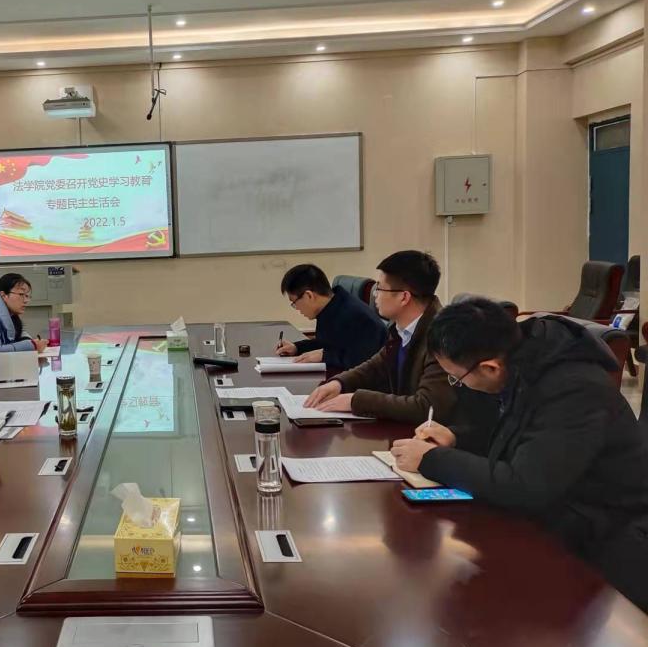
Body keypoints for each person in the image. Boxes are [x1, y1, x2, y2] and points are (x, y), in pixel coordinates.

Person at [391, 299, 648, 611]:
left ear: (490, 367)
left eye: (457, 378)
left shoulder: (572, 389)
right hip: (563, 514)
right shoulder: (524, 359)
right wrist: (456, 438)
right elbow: (521, 438)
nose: (460, 386)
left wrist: (430, 459)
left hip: (608, 536)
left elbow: (526, 486)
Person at [305, 250, 455, 424]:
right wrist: (339, 383)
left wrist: (356, 401)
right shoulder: (401, 327)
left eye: (379, 288)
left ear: (404, 297)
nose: (375, 294)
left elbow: (426, 407)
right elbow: (378, 365)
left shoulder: (443, 337)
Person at [274, 264, 386, 370]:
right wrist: (297, 347)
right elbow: (327, 344)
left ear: (309, 296)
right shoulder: (331, 307)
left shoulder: (356, 315)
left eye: (294, 302)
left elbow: (364, 358)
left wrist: (325, 356)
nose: (297, 308)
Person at [0, 273, 48, 353]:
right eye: (21, 294)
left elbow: (20, 335)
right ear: (3, 295)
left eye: (27, 296)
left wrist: (31, 341)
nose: (26, 301)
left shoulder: (11, 315)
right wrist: (32, 346)